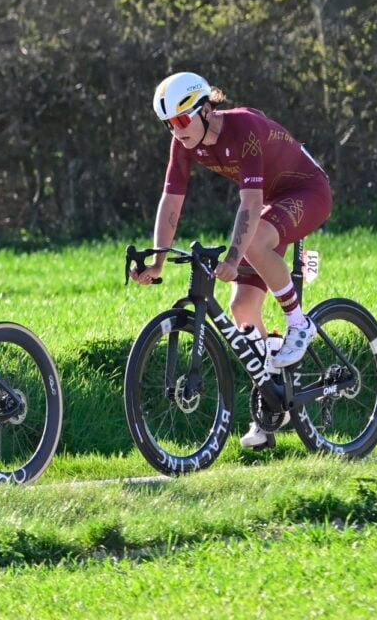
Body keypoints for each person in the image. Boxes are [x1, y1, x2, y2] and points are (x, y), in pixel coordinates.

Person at [130, 72, 333, 448]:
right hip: (273, 205)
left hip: (307, 191)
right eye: (168, 125)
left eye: (180, 120)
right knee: (241, 309)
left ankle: (298, 322)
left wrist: (234, 256)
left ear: (206, 109)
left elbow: (250, 205)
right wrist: (156, 262)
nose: (176, 131)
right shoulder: (185, 144)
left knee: (253, 243)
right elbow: (171, 201)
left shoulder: (245, 129)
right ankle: (272, 405)